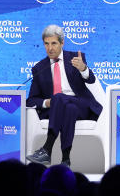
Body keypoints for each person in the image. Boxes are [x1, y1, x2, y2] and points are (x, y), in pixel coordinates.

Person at [25, 25, 103, 167]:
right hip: (59, 109)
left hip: (82, 105)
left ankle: (47, 148)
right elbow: (31, 100)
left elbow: (90, 80)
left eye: (54, 43)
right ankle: (65, 159)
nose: (50, 48)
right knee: (67, 108)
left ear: (62, 43)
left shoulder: (75, 59)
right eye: (46, 44)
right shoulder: (39, 68)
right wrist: (47, 103)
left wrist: (84, 69)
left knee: (60, 98)